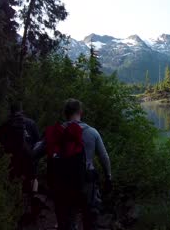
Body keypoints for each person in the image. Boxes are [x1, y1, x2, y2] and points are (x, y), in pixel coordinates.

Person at [34, 98, 112, 230]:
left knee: (66, 222)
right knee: (90, 220)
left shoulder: (56, 132)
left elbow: (35, 153)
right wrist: (108, 177)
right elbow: (104, 157)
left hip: (62, 184)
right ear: (80, 112)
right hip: (86, 183)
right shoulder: (92, 132)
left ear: (65, 113)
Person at [0, 102, 40, 223]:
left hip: (13, 159)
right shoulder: (31, 123)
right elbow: (38, 142)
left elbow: (1, 143)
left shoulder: (5, 125)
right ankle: (33, 201)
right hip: (29, 158)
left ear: (10, 111)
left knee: (14, 181)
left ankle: (15, 210)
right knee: (33, 178)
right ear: (22, 110)